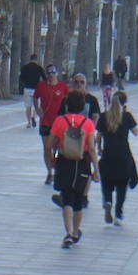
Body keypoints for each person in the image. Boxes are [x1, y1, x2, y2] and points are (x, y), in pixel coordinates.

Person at [49, 92, 99, 249]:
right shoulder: (88, 123)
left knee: (67, 198)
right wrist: (96, 169)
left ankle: (68, 232)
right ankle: (76, 232)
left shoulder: (59, 121)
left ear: (66, 104)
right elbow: (91, 148)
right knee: (78, 200)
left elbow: (49, 143)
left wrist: (51, 157)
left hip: (64, 161)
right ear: (83, 106)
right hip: (82, 162)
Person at [96, 91, 138, 226]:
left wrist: (99, 149)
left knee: (106, 182)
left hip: (108, 154)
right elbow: (136, 132)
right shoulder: (127, 116)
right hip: (123, 154)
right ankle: (118, 214)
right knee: (122, 186)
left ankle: (108, 201)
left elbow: (98, 136)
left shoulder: (103, 117)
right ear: (124, 104)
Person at [35, 64, 70, 184]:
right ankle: (49, 173)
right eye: (48, 73)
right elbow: (35, 98)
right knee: (46, 148)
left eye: (53, 72)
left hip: (59, 123)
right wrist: (37, 109)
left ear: (57, 73)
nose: (51, 75)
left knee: (58, 148)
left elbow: (68, 102)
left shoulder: (63, 87)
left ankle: (57, 171)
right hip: (45, 121)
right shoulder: (41, 86)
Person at [19, 53, 45, 128]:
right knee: (36, 105)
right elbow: (44, 78)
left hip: (27, 88)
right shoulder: (39, 67)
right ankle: (33, 116)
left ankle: (28, 122)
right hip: (36, 89)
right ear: (36, 60)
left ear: (30, 59)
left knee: (28, 106)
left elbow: (21, 78)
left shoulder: (25, 67)